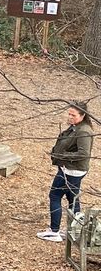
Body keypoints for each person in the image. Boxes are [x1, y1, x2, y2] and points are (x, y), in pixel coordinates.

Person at [37, 102, 94, 243]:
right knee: (72, 198)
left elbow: (83, 153)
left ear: (83, 115)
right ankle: (75, 231)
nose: (70, 117)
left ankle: (54, 231)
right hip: (70, 169)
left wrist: (62, 156)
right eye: (69, 113)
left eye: (73, 115)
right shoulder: (76, 127)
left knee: (55, 195)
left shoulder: (84, 131)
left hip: (71, 171)